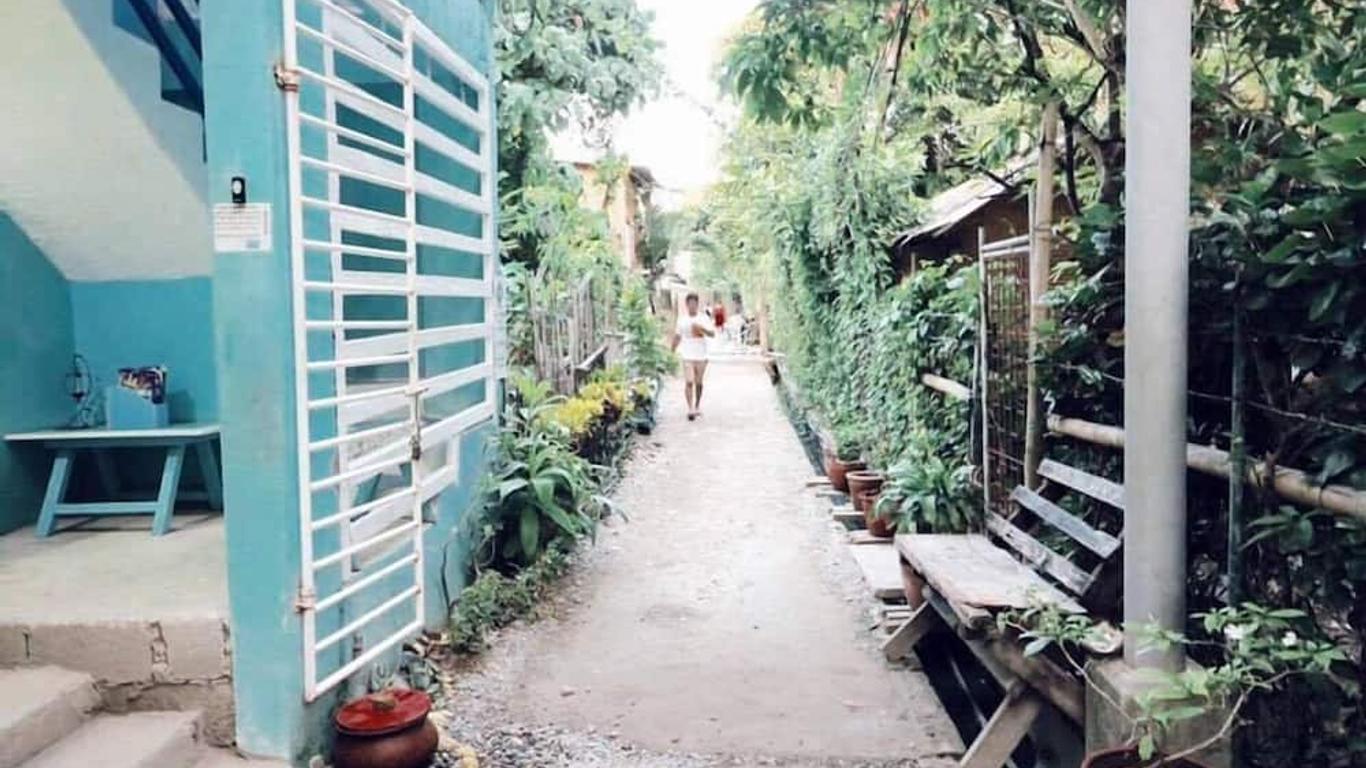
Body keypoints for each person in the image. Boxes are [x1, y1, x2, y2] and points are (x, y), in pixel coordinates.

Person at [670, 292, 715, 421]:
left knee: (698, 382)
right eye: (690, 304)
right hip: (687, 353)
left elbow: (712, 334)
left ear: (697, 304)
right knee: (689, 381)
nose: (692, 306)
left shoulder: (703, 318)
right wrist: (671, 350)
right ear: (686, 304)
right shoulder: (682, 320)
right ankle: (690, 408)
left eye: (694, 304)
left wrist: (702, 329)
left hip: (701, 353)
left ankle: (697, 405)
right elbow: (677, 336)